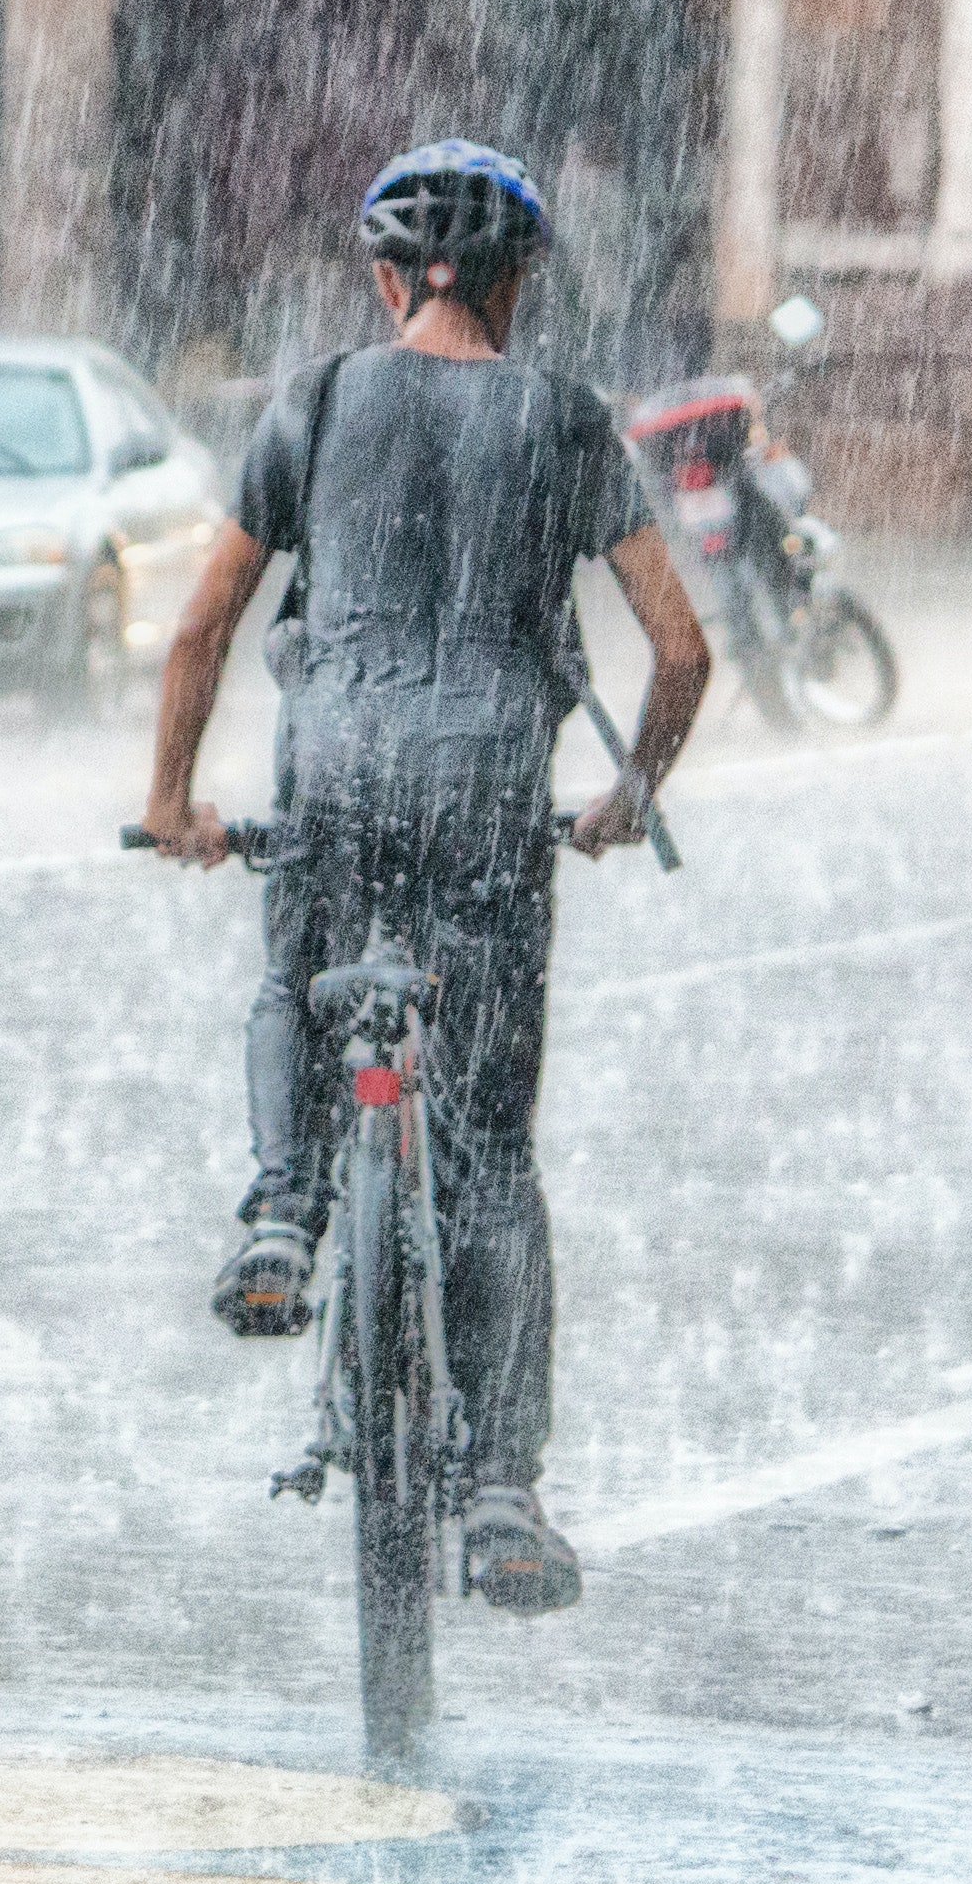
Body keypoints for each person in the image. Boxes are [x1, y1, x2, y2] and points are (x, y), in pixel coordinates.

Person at [138, 139, 714, 1618]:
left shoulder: (318, 401)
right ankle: (506, 1491)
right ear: (517, 288)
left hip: (334, 775)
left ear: (387, 280)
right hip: (486, 800)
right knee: (492, 1156)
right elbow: (682, 646)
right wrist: (626, 792)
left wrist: (171, 800)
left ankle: (280, 1212)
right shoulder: (567, 422)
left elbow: (203, 628)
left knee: (295, 970)